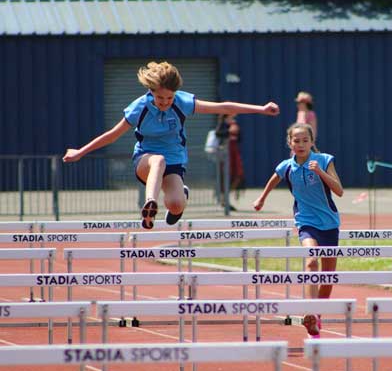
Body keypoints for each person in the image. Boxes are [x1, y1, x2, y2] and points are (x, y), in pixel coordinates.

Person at [63, 61, 279, 229]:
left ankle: (180, 196)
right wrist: (80, 152)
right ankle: (149, 204)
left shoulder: (182, 102)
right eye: (160, 98)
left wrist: (260, 109)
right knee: (158, 160)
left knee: (176, 204)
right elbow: (112, 135)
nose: (165, 102)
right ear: (151, 92)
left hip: (174, 163)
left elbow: (222, 106)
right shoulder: (140, 107)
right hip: (145, 160)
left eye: (169, 98)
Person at [253, 122, 343, 338]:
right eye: (296, 140)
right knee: (311, 260)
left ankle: (317, 315)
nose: (301, 144)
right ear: (290, 143)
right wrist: (261, 199)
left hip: (329, 223)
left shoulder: (324, 160)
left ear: (312, 142)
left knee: (328, 277)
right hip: (306, 222)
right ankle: (310, 312)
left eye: (305, 140)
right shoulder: (287, 166)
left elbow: (339, 190)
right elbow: (274, 179)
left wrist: (320, 172)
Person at [215, 113, 245, 210]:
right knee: (225, 175)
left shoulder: (235, 124)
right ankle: (224, 199)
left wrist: (237, 131)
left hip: (234, 153)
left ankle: (227, 196)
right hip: (226, 153)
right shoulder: (223, 124)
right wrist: (229, 131)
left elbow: (239, 138)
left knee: (238, 175)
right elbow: (218, 134)